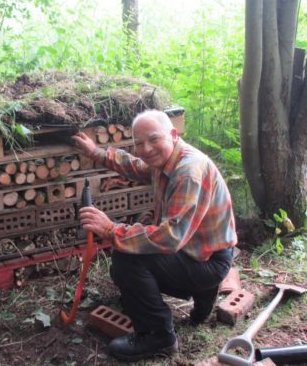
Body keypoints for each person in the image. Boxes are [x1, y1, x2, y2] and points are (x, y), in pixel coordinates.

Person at [72, 109, 237, 362]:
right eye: (139, 143)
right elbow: (136, 165)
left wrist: (109, 229)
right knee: (129, 260)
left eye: (153, 139)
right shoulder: (168, 159)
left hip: (207, 260)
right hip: (203, 249)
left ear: (173, 134)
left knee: (126, 261)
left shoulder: (188, 171)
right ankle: (203, 292)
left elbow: (170, 238)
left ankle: (159, 336)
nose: (146, 149)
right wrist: (96, 152)